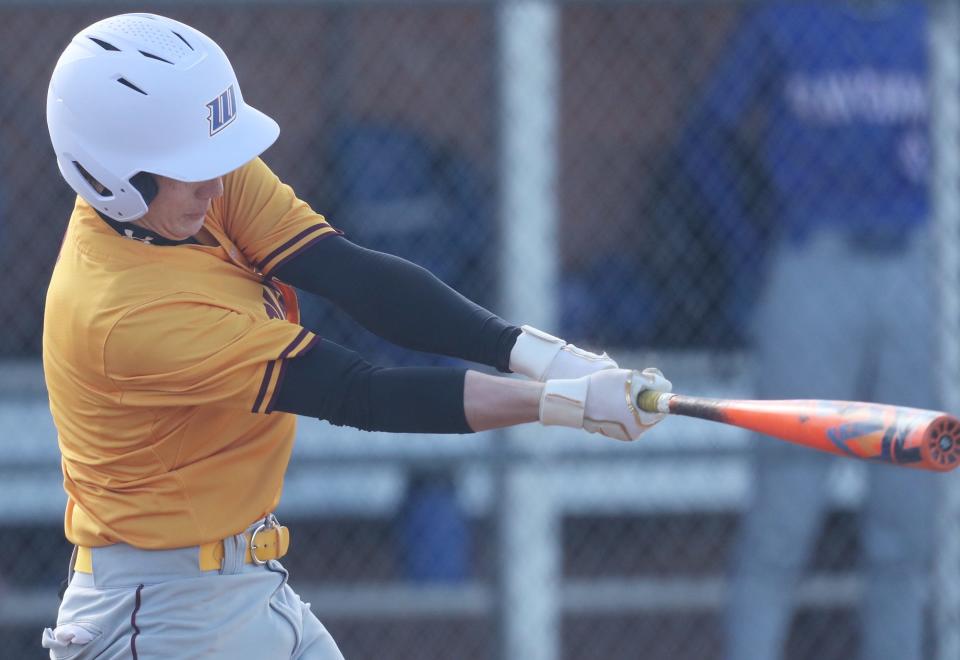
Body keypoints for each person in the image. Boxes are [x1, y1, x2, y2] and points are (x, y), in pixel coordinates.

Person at [40, 13, 672, 659]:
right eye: (190, 166)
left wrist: (553, 359)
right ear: (112, 177)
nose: (215, 179)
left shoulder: (189, 195)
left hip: (245, 584)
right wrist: (563, 404)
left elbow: (348, 273)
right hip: (159, 615)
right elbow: (362, 393)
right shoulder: (123, 315)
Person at [680, 2, 936, 659]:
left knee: (908, 531)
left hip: (922, 270)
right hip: (812, 265)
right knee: (782, 519)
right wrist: (752, 256)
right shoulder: (787, 18)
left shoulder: (935, 21)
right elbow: (705, 135)